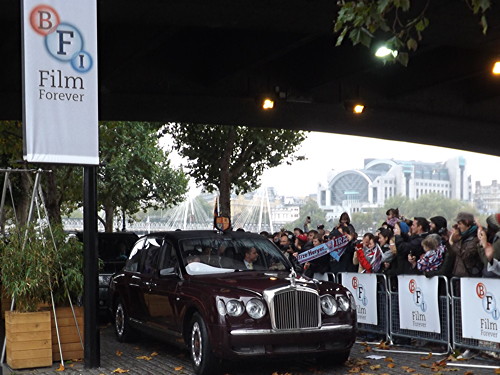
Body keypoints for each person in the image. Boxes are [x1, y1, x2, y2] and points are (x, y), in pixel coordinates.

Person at [449, 212, 482, 277]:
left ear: (466, 222)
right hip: (460, 274)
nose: (458, 226)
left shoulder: (475, 238)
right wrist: (455, 238)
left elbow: (466, 255)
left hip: (469, 276)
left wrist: (452, 244)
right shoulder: (462, 237)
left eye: (459, 223)